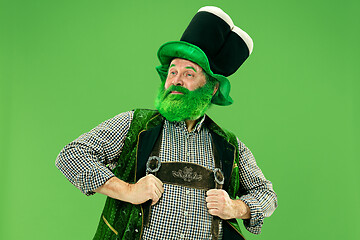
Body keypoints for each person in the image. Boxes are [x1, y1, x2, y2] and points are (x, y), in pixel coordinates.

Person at [56, 6, 277, 240]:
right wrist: (129, 191)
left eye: (189, 74)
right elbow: (71, 155)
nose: (176, 81)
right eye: (172, 72)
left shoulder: (229, 145)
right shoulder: (137, 125)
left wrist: (236, 208)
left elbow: (266, 195)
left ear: (212, 88)